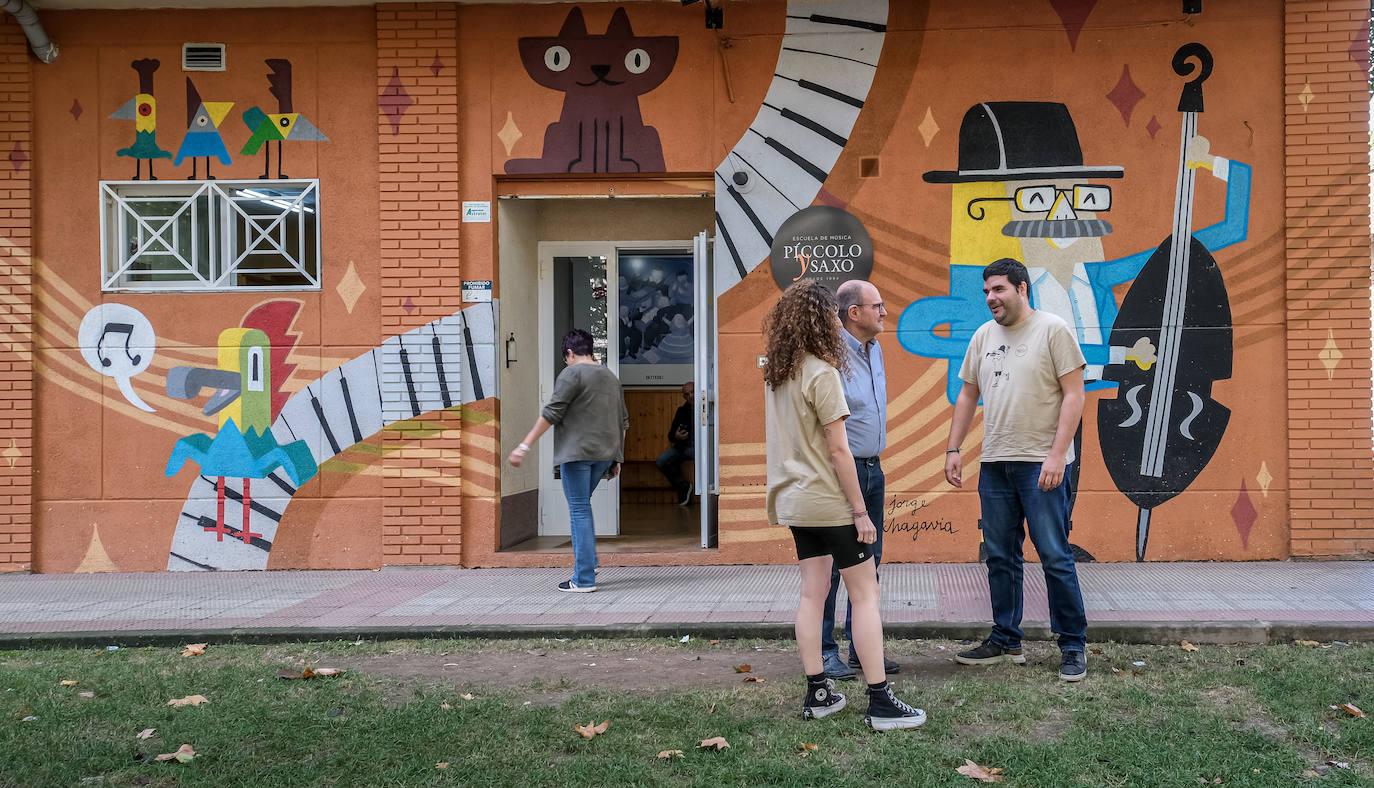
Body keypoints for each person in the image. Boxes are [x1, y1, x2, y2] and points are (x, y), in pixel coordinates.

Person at [763, 278, 925, 730]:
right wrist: (859, 511)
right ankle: (880, 702)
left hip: (795, 501)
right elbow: (839, 451)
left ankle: (818, 694)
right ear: (825, 319)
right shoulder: (823, 372)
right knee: (866, 592)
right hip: (831, 502)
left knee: (813, 594)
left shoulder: (779, 374)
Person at [943, 258, 1089, 681]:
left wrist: (1057, 454)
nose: (991, 298)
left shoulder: (1053, 330)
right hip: (996, 465)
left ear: (1022, 288)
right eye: (987, 291)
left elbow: (1074, 395)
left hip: (1040, 463)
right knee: (1000, 556)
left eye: (999, 289)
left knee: (1055, 556)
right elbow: (967, 396)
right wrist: (954, 449)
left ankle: (1073, 644)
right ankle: (1006, 639)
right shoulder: (982, 336)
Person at [820, 280, 900, 681]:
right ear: (854, 313)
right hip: (841, 475)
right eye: (878, 306)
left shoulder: (874, 348)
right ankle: (824, 651)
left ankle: (861, 646)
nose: (885, 312)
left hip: (873, 468)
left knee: (869, 562)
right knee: (833, 565)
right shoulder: (829, 354)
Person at [508, 329, 628, 593]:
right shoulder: (610, 376)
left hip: (577, 455)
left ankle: (583, 579)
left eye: (566, 358)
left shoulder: (571, 373)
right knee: (583, 507)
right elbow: (623, 421)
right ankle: (590, 562)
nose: (567, 362)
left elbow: (551, 412)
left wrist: (524, 445)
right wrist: (618, 456)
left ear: (570, 353)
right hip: (604, 455)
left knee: (579, 510)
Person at [655, 380, 695, 506]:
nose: (690, 396)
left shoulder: (707, 408)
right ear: (684, 396)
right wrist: (677, 436)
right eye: (687, 394)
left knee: (685, 453)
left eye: (692, 392)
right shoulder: (682, 411)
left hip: (701, 449)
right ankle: (683, 485)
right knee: (661, 460)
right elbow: (671, 436)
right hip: (683, 447)